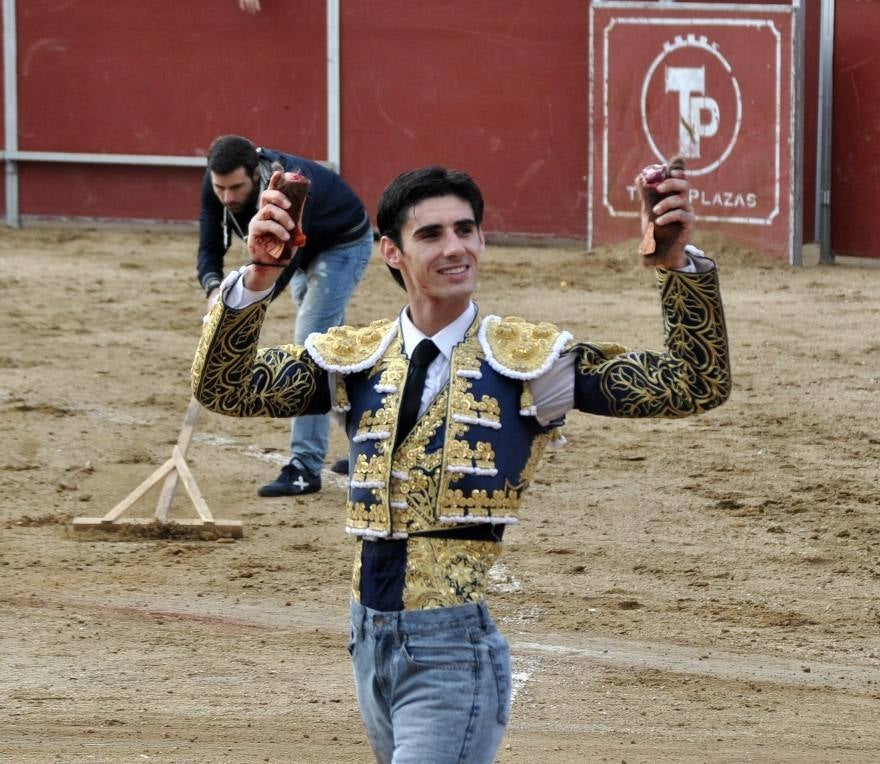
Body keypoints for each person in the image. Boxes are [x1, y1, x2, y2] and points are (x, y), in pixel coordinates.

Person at [191, 163, 731, 762]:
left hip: (451, 654)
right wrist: (260, 277)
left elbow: (692, 383)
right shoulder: (355, 358)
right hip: (367, 644)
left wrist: (678, 268)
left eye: (465, 230)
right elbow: (225, 387)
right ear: (391, 252)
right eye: (431, 234)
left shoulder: (530, 361)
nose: (455, 248)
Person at [197, 134, 371, 496]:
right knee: (335, 355)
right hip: (303, 250)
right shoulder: (217, 180)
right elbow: (209, 244)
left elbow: (281, 266)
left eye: (236, 188)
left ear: (254, 174)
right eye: (220, 188)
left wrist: (235, 314)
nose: (227, 196)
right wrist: (214, 291)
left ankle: (305, 466)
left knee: (312, 346)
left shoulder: (288, 188)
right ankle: (370, 442)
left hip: (342, 243)